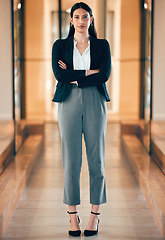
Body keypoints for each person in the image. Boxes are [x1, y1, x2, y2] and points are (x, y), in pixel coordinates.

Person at [52, 2, 111, 237]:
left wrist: (76, 76)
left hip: (95, 100)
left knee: (96, 158)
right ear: (71, 20)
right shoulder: (60, 46)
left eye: (85, 16)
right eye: (76, 17)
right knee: (71, 160)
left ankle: (94, 216)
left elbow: (104, 74)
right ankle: (72, 217)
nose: (80, 20)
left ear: (91, 19)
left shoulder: (102, 45)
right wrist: (89, 73)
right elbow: (60, 75)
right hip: (68, 102)